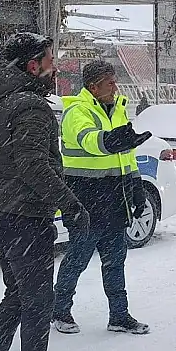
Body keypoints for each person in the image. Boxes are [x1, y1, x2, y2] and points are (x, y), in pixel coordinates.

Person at [0, 32, 88, 351]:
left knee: (17, 294)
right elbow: (33, 164)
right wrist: (70, 205)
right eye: (51, 61)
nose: (55, 68)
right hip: (23, 217)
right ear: (32, 65)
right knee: (38, 300)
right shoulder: (30, 107)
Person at [53, 60, 154, 336]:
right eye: (110, 82)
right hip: (86, 200)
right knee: (78, 259)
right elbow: (90, 140)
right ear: (93, 86)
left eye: (115, 81)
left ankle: (119, 316)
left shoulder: (118, 109)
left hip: (115, 198)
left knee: (115, 261)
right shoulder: (77, 111)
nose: (115, 86)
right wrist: (111, 141)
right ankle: (59, 310)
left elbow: (126, 154)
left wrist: (136, 188)